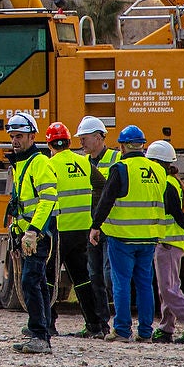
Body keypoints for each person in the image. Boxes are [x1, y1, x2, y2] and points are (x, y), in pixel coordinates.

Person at [89, 125, 165, 342]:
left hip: (122, 236)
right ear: (143, 145)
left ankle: (122, 330)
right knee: (144, 283)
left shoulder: (120, 168)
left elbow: (106, 200)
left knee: (121, 282)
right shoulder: (158, 170)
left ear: (122, 146)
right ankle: (146, 332)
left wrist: (96, 226)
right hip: (149, 236)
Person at [46, 121, 107, 338]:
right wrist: (92, 212)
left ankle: (48, 323)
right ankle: (94, 324)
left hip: (60, 231)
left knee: (49, 278)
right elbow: (101, 185)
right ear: (69, 142)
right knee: (82, 277)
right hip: (82, 229)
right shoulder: (83, 162)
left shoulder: (49, 164)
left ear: (49, 143)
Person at [5, 111, 57, 354]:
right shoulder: (21, 163)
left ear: (32, 136)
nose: (15, 141)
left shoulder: (40, 163)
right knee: (39, 284)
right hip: (27, 234)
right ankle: (42, 330)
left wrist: (34, 231)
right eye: (12, 136)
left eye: (20, 136)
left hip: (38, 235)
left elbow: (48, 200)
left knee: (30, 281)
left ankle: (39, 335)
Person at [145, 140, 184, 344]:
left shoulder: (167, 184)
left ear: (156, 162)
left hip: (168, 243)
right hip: (172, 242)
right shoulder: (172, 181)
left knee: (168, 289)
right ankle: (166, 328)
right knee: (169, 287)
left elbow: (174, 211)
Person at [76, 115, 117, 332]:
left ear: (100, 137)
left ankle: (119, 323)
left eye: (85, 138)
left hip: (110, 226)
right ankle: (101, 323)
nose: (81, 142)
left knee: (111, 276)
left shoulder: (116, 159)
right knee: (94, 276)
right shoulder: (82, 162)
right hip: (90, 225)